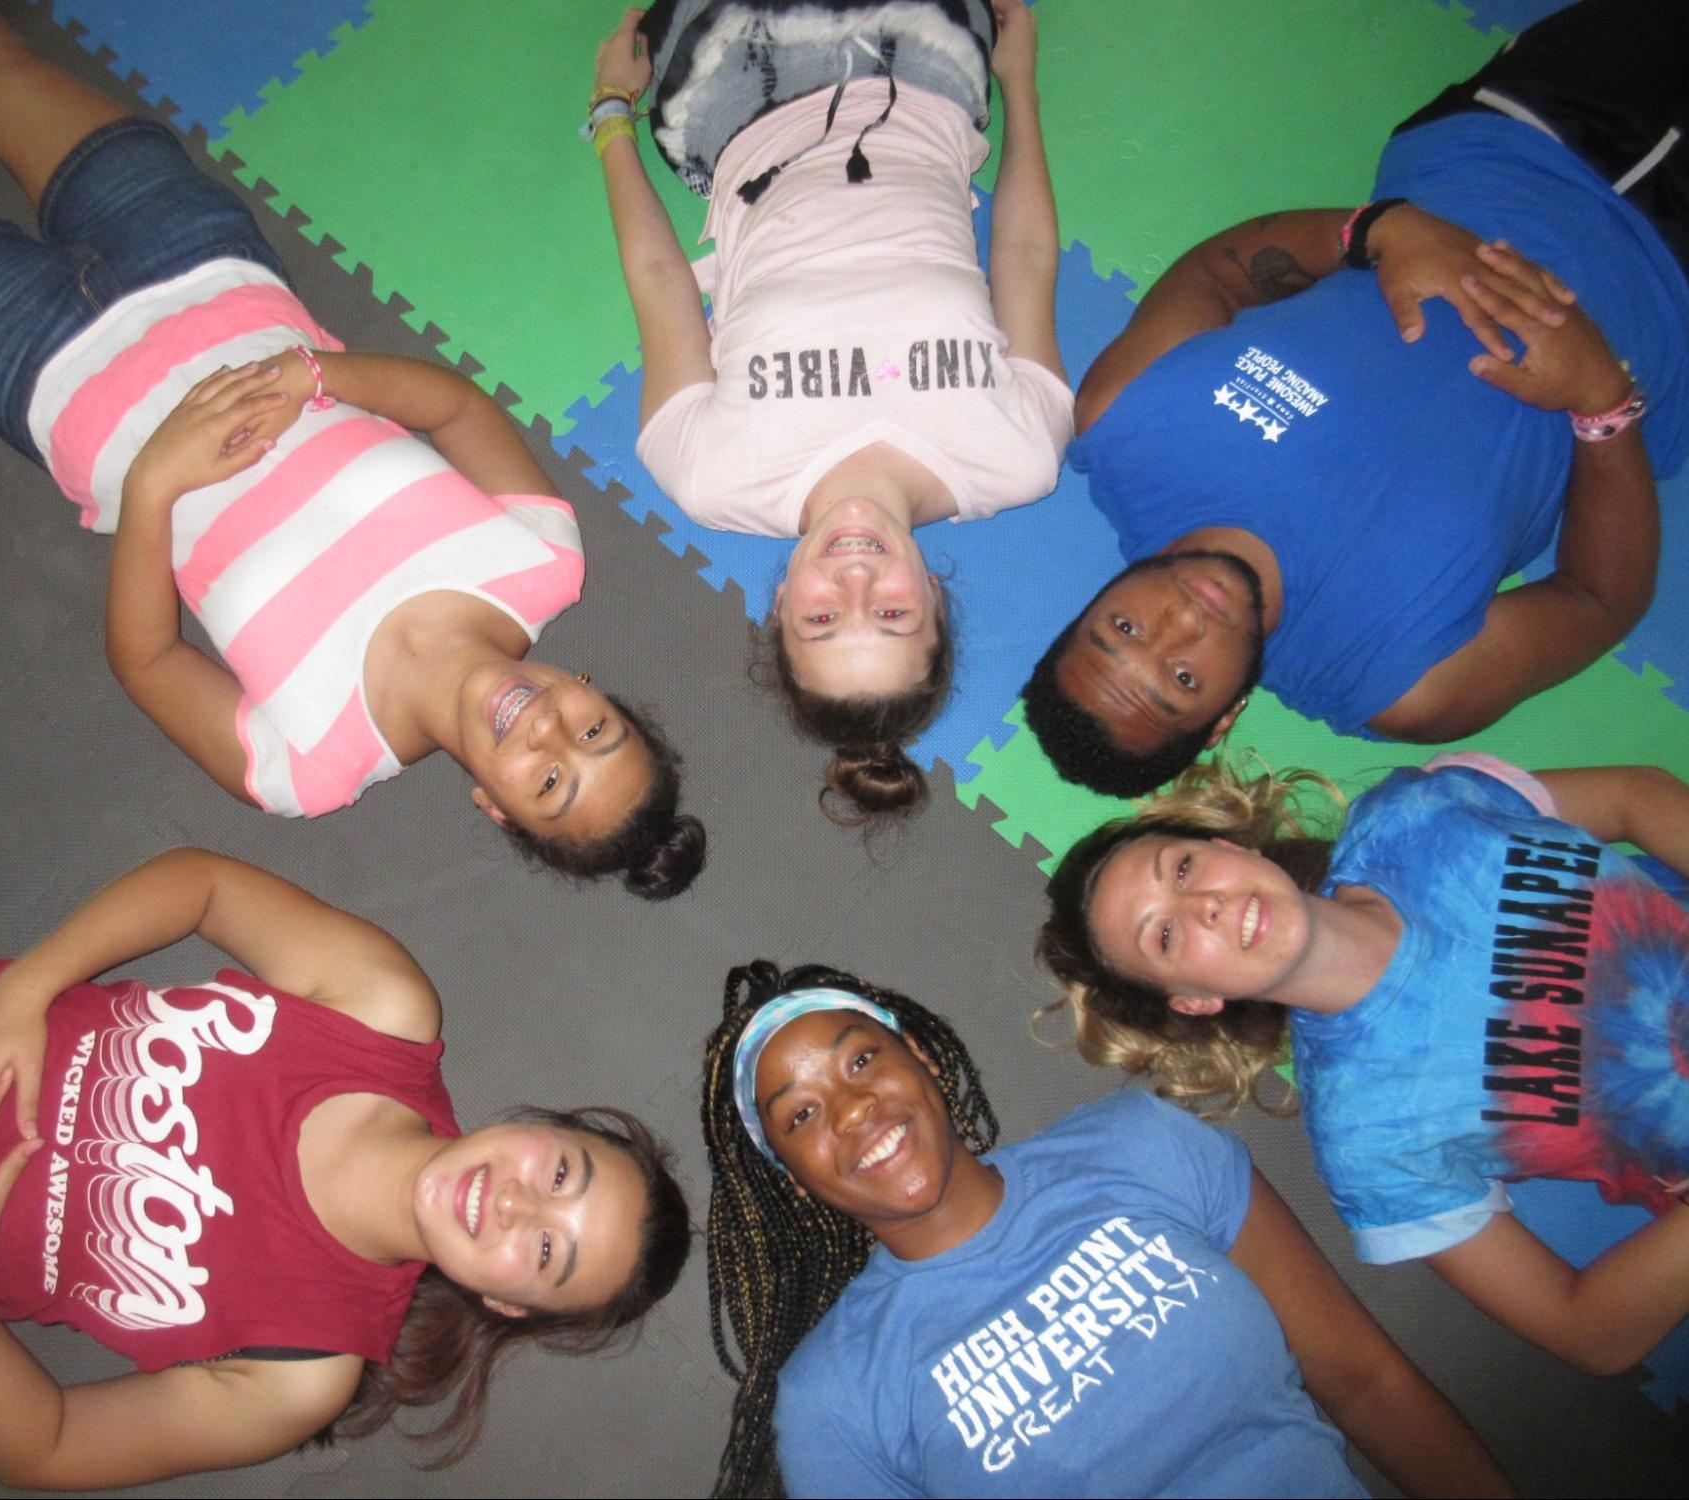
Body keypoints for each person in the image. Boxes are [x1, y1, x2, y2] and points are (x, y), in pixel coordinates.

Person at [0, 0, 705, 899]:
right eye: (594, 729)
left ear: (495, 810)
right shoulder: (541, 564)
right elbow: (462, 415)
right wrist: (318, 378)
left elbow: (147, 659)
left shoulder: (309, 767)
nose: (547, 731)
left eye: (549, 781)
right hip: (200, 261)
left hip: (38, 373)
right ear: (596, 692)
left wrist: (154, 486)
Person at [0, 848, 691, 1486]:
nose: (515, 1203)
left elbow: (42, 1450)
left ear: (506, 1304)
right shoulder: (383, 1011)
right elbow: (202, 884)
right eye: (560, 1173)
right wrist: (22, 995)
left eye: (547, 1253)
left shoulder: (303, 1373)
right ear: (538, 1123)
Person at [1021, 0, 1688, 798]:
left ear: (1092, 602)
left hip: (1517, 132)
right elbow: (1600, 599)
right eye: (1181, 679)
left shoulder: (1121, 420)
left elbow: (1218, 272)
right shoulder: (1400, 682)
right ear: (1224, 717)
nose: (1177, 625)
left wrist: (1374, 232)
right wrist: (1600, 404)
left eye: (1121, 630)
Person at [698, 963, 1511, 1497]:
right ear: (791, 1174)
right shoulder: (832, 1399)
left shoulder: (1142, 1144)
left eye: (861, 1062)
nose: (851, 1110)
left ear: (921, 1058)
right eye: (802, 1115)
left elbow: (1367, 1380)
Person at [1038, 751, 1689, 1378]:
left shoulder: (1414, 813)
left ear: (1229, 850)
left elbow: (1635, 796)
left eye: (1180, 869)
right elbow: (1587, 1330)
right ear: (1197, 1000)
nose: (1200, 904)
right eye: (1165, 935)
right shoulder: (1368, 1141)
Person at [595, 0, 1071, 824]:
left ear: (780, 605)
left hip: (735, 96)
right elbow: (1025, 258)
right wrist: (1018, 85)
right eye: (889, 614)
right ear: (931, 596)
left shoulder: (711, 477)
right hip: (926, 74)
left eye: (821, 618)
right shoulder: (1017, 456)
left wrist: (609, 117)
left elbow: (660, 283)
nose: (854, 575)